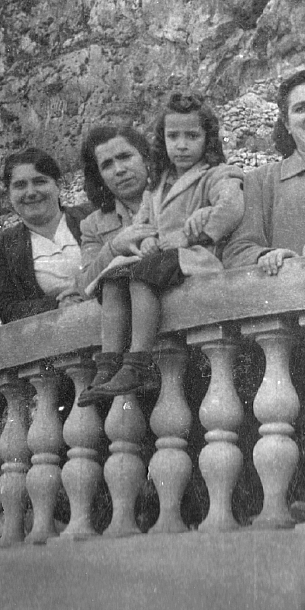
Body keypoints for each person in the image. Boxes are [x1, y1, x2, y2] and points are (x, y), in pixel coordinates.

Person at [77, 93, 245, 406]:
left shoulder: (216, 174)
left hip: (194, 258)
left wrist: (196, 233)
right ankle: (109, 363)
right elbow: (145, 223)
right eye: (173, 136)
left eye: (192, 136)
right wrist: (145, 240)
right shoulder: (158, 183)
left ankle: (139, 361)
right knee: (113, 278)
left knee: (142, 275)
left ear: (207, 139)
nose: (181, 145)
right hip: (162, 258)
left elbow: (232, 205)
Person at [222, 68, 305, 274]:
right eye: (300, 109)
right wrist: (267, 256)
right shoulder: (261, 180)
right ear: (287, 124)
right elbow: (237, 250)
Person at [75, 125, 157, 387]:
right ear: (99, 176)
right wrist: (114, 247)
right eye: (107, 164)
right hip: (133, 354)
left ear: (145, 157)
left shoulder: (174, 194)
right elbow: (84, 285)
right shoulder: (93, 225)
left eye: (125, 157)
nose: (119, 169)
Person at [0, 148, 89, 324]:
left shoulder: (90, 216)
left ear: (59, 185)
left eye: (40, 182)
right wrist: (58, 305)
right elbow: (7, 309)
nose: (31, 192)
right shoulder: (2, 245)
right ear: (9, 194)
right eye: (20, 185)